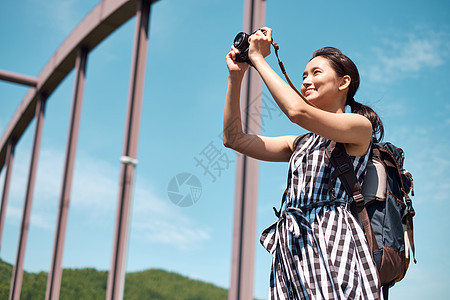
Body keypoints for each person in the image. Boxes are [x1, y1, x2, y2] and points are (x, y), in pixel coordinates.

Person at [223, 27, 382, 299]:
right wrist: (235, 77)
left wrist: (259, 59)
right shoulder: (299, 143)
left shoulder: (359, 127)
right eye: (303, 76)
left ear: (344, 82)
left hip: (333, 242)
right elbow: (233, 139)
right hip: (293, 247)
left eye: (316, 73)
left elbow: (297, 112)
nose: (306, 81)